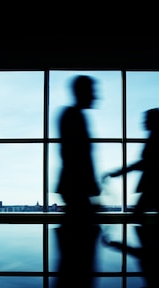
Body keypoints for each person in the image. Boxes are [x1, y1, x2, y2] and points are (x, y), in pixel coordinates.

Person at [103, 107, 159, 221]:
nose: (143, 122)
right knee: (158, 222)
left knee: (139, 217)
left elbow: (144, 163)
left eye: (146, 119)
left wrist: (119, 172)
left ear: (153, 121)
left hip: (152, 186)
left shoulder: (154, 140)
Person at [56, 75, 100, 223]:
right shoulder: (75, 116)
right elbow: (79, 156)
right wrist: (92, 186)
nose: (95, 96)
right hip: (77, 186)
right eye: (92, 91)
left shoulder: (70, 115)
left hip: (73, 185)